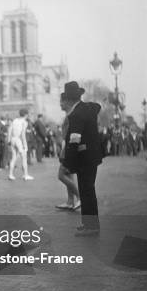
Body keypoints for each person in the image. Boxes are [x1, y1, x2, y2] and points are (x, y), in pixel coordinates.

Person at [61, 81, 103, 236]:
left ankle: (90, 227)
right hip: (93, 157)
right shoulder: (89, 108)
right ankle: (90, 224)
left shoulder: (76, 114)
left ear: (70, 99)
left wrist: (68, 163)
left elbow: (74, 140)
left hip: (84, 159)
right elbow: (97, 106)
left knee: (86, 192)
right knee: (88, 191)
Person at [55, 94, 80, 211]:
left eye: (62, 102)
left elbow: (73, 136)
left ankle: (81, 197)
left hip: (70, 150)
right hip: (68, 149)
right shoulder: (69, 115)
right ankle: (70, 201)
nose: (60, 104)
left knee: (61, 175)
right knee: (69, 175)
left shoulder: (71, 116)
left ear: (68, 102)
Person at [8, 109, 34, 181]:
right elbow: (23, 134)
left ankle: (10, 174)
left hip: (13, 139)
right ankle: (25, 175)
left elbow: (10, 129)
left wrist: (9, 140)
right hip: (18, 140)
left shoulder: (15, 120)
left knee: (13, 158)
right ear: (26, 114)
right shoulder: (24, 122)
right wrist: (25, 144)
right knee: (24, 158)